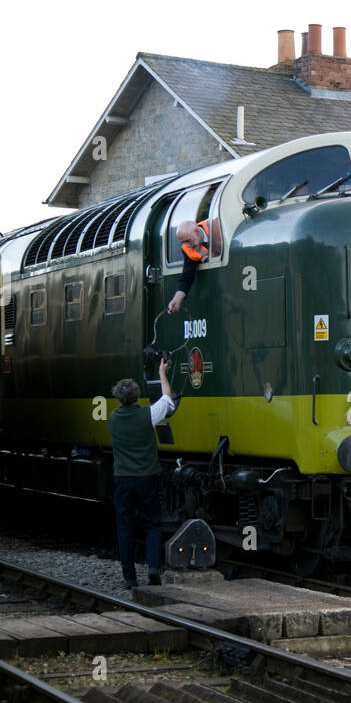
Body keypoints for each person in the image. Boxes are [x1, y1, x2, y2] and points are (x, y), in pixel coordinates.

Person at [108, 358, 177, 589]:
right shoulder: (148, 415)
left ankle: (129, 578)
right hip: (148, 478)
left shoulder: (113, 420)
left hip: (123, 480)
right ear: (137, 396)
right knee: (152, 525)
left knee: (125, 528)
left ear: (119, 398)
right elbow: (167, 398)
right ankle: (154, 568)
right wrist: (161, 372)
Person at [168, 218, 219, 314]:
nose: (187, 245)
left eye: (188, 240)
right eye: (183, 242)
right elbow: (187, 276)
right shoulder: (187, 249)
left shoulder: (217, 225)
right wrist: (177, 298)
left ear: (197, 231)